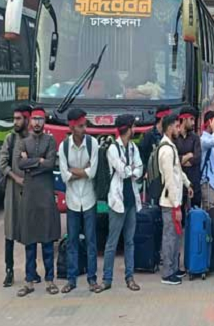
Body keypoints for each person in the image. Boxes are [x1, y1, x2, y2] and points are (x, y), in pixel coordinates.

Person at [96, 114, 144, 293]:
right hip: (117, 201)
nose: (135, 129)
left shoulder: (133, 147)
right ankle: (107, 279)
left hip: (131, 199)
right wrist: (131, 170)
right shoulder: (112, 149)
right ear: (127, 128)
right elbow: (123, 172)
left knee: (130, 241)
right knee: (112, 242)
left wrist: (131, 170)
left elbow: (140, 169)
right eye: (133, 126)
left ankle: (129, 278)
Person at [16, 106, 61, 297]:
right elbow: (19, 163)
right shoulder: (23, 141)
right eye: (34, 119)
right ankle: (29, 281)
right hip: (30, 197)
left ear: (44, 122)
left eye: (40, 120)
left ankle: (50, 279)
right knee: (30, 241)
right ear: (30, 121)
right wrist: (39, 161)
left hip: (45, 196)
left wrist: (32, 162)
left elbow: (51, 164)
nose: (36, 123)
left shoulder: (50, 141)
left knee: (48, 241)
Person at [57, 108, 100, 294]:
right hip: (72, 200)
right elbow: (65, 176)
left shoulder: (93, 144)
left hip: (89, 198)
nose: (84, 129)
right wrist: (82, 171)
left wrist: (74, 170)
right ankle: (71, 280)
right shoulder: (64, 147)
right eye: (81, 126)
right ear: (72, 127)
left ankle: (92, 279)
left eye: (85, 125)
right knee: (72, 241)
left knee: (91, 241)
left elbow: (93, 173)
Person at [0, 104, 33, 288]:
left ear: (27, 119)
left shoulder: (34, 139)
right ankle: (9, 270)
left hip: (30, 192)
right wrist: (16, 178)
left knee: (30, 231)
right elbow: (2, 163)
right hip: (13, 192)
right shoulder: (10, 139)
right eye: (14, 118)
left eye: (19, 118)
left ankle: (31, 270)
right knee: (9, 232)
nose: (15, 122)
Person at [159, 114, 194, 285]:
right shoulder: (166, 150)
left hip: (175, 200)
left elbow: (178, 171)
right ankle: (167, 272)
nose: (178, 129)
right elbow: (170, 179)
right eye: (176, 126)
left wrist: (188, 184)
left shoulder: (171, 147)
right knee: (170, 237)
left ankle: (173, 268)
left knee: (175, 236)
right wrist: (176, 206)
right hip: (170, 202)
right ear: (169, 128)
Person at [139, 105, 172, 204]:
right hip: (152, 177)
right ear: (162, 119)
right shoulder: (149, 135)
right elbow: (142, 155)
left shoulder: (169, 135)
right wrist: (145, 170)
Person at [174, 106, 202, 208]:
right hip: (179, 183)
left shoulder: (195, 138)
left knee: (196, 213)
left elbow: (197, 158)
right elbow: (174, 159)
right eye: (191, 119)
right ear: (184, 119)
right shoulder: (175, 138)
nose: (193, 123)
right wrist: (188, 156)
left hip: (194, 181)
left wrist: (182, 160)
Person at [200, 110, 214, 210]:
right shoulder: (204, 140)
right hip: (207, 182)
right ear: (209, 122)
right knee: (209, 210)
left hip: (212, 182)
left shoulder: (211, 138)